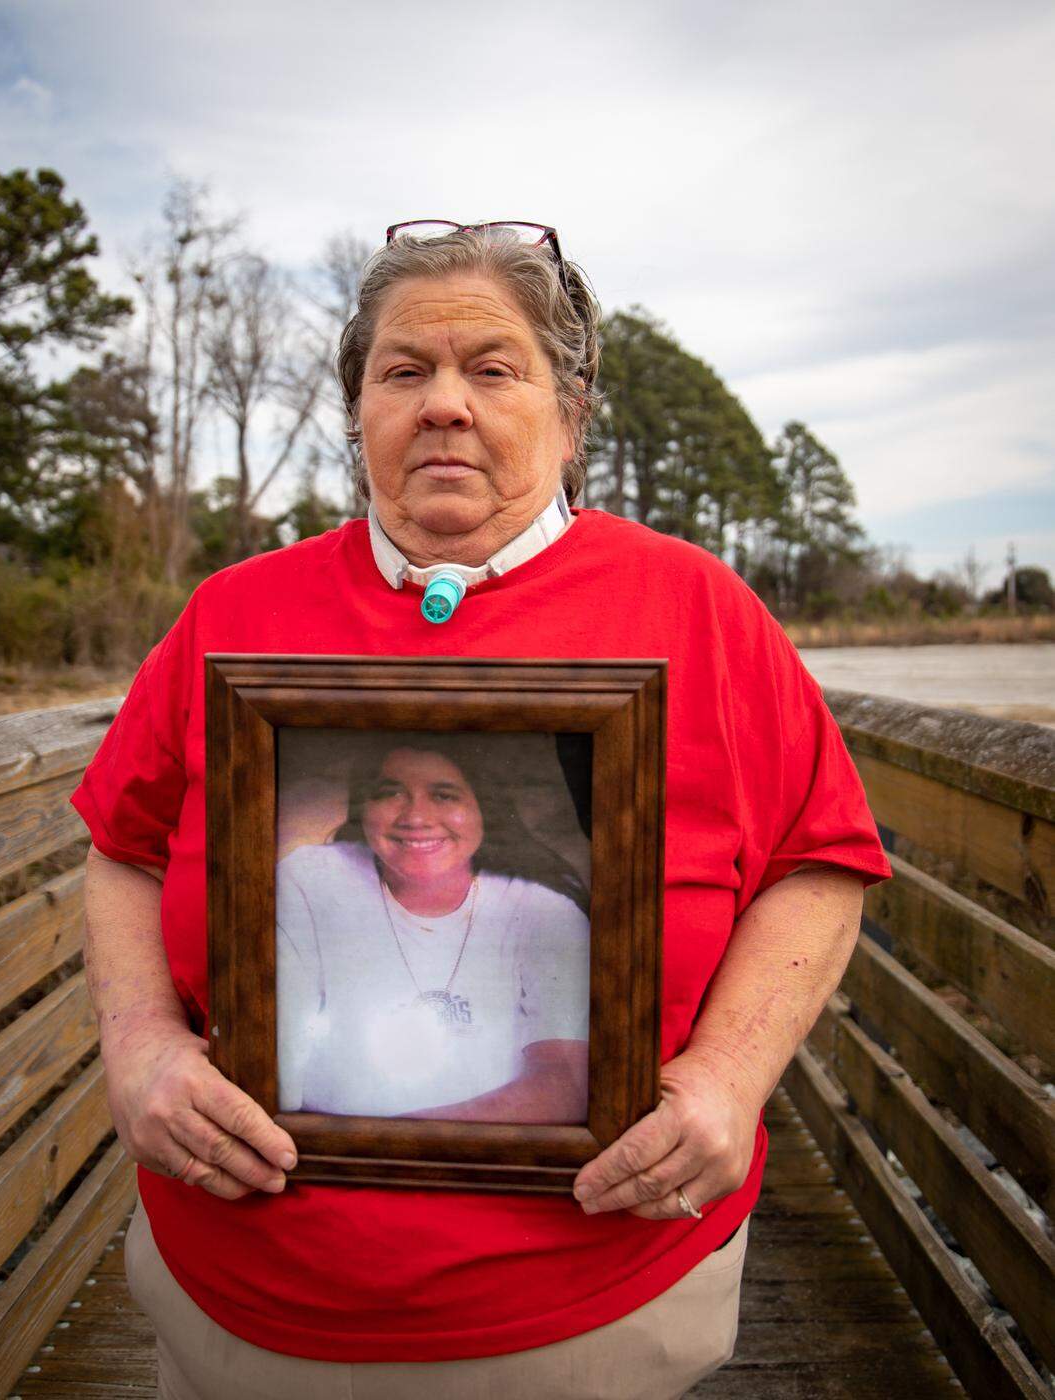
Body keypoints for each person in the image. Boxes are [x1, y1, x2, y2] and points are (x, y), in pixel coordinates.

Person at [74, 221, 891, 1400]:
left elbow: (820, 859)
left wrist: (730, 1072)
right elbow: (125, 846)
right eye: (404, 370)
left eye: (493, 368)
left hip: (587, 1312)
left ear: (570, 412)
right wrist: (140, 1042)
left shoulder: (699, 610)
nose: (445, 403)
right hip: (240, 1304)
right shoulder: (233, 613)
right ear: (359, 408)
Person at [275, 736, 590, 1121]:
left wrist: (399, 1141)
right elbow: (276, 1058)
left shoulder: (544, 911)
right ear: (363, 808)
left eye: (444, 795)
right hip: (323, 1144)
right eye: (391, 793)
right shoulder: (312, 881)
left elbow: (566, 1084)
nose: (416, 818)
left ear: (484, 808)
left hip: (480, 1151)